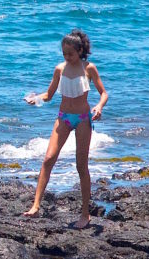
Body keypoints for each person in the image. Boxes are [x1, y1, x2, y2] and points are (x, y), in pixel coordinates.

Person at [22, 29, 108, 227]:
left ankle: (85, 214)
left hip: (83, 119)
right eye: (64, 53)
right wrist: (35, 99)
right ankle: (35, 207)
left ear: (80, 51)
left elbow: (104, 93)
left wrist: (99, 106)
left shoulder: (89, 68)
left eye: (70, 53)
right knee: (48, 159)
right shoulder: (59, 69)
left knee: (81, 166)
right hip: (63, 118)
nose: (67, 57)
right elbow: (49, 95)